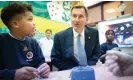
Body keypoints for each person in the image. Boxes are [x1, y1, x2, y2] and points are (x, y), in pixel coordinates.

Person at [0, 2, 50, 80]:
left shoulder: (33, 42)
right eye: (30, 19)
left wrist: (44, 68)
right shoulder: (2, 41)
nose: (34, 23)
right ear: (15, 24)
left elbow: (40, 62)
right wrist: (13, 74)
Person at [51, 5, 100, 71]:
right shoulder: (60, 36)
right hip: (67, 72)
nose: (77, 20)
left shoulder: (94, 33)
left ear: (86, 19)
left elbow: (96, 53)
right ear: (70, 18)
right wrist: (73, 70)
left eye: (81, 16)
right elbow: (55, 58)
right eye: (74, 16)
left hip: (88, 70)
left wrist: (87, 67)